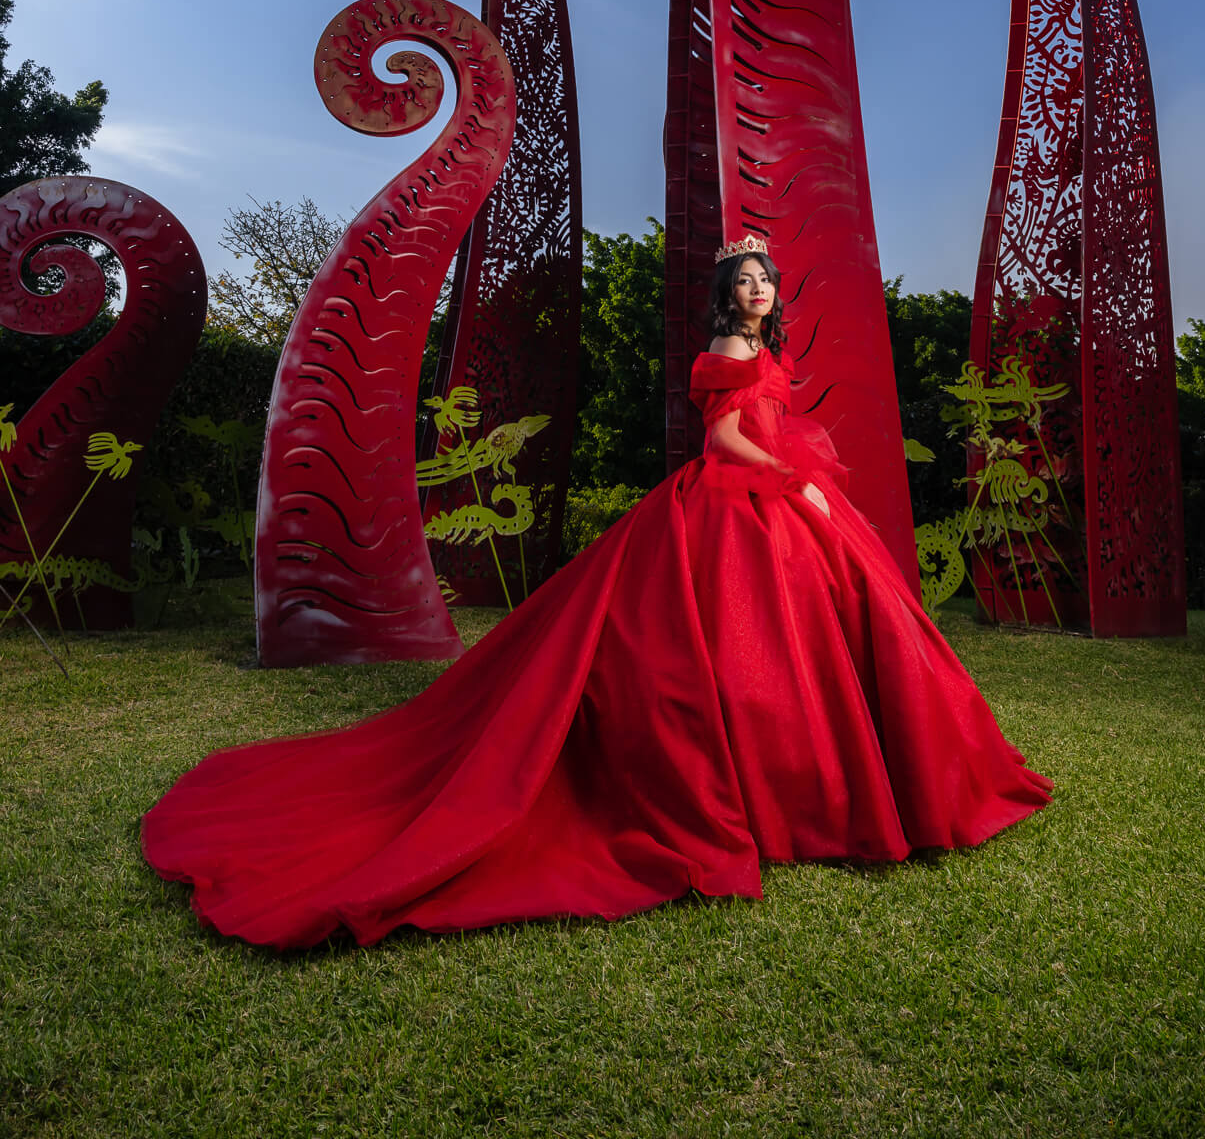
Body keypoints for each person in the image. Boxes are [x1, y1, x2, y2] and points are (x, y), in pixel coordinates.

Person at [141, 236, 1051, 948]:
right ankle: (795, 796)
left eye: (765, 279)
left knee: (821, 635)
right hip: (738, 498)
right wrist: (795, 479)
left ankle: (839, 785)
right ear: (724, 296)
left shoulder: (761, 340)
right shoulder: (727, 346)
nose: (756, 291)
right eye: (743, 280)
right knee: (730, 648)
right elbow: (726, 440)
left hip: (774, 498)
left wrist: (797, 480)